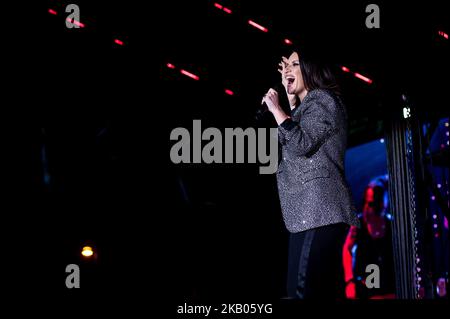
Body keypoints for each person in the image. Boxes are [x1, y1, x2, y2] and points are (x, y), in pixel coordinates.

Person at [261, 48, 360, 299]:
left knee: (302, 290)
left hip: (319, 210)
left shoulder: (323, 99)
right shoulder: (309, 107)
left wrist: (276, 108)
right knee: (305, 289)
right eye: (286, 65)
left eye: (295, 64)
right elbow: (293, 140)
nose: (287, 70)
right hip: (308, 213)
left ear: (311, 69)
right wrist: (290, 102)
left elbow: (301, 143)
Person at [342, 176, 396, 299]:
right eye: (366, 202)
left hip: (389, 286)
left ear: (382, 203)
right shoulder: (359, 224)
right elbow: (347, 249)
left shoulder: (391, 224)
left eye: (372, 204)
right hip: (368, 286)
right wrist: (349, 281)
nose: (368, 208)